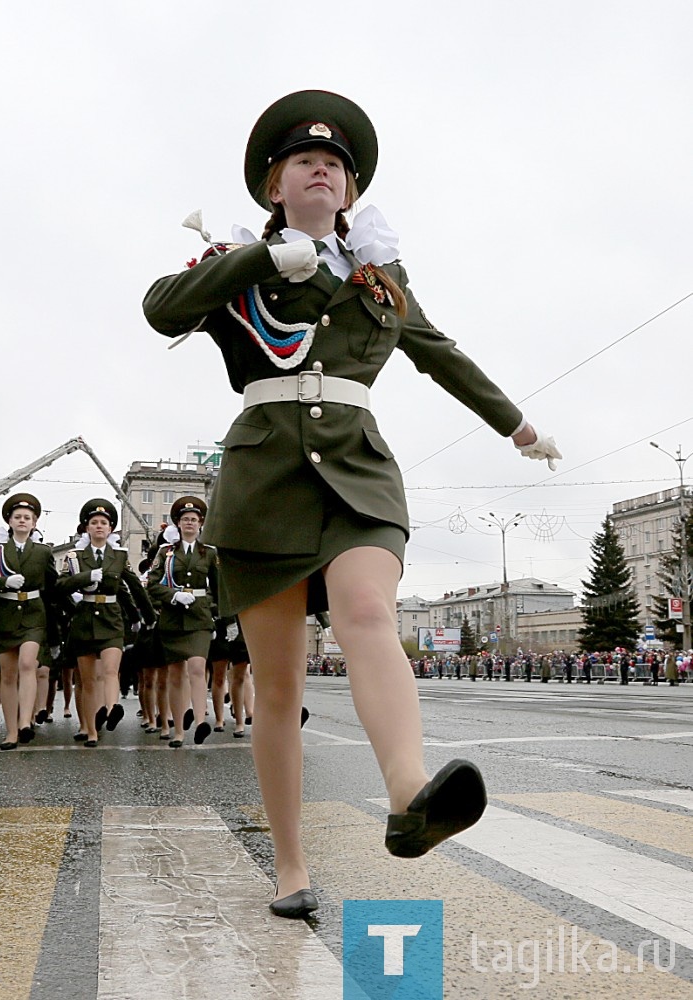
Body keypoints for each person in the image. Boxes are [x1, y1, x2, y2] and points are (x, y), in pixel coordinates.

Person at [143, 89, 561, 918]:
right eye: (304, 160)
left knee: (367, 608)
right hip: (264, 475)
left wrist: (518, 426)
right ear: (274, 186)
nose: (322, 169)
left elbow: (438, 353)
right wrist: (265, 261)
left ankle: (410, 795)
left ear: (350, 192)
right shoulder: (235, 264)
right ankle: (290, 866)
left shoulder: (381, 279)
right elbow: (160, 309)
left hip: (358, 468)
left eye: (335, 164)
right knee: (275, 687)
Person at [58, 499, 156, 747]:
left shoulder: (119, 556)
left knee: (112, 670)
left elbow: (133, 588)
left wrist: (148, 616)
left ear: (110, 529)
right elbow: (59, 587)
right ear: (86, 528)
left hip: (112, 620)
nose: (99, 527)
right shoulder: (75, 557)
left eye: (104, 523)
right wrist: (84, 577)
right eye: (94, 523)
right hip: (84, 620)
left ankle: (112, 708)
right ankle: (91, 730)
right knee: (88, 680)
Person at [0, 493, 58, 750]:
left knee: (27, 663)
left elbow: (52, 585)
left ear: (35, 523)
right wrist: (3, 582)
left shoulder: (43, 552)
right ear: (9, 522)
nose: (23, 521)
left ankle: (25, 721)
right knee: (8, 676)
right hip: (5, 614)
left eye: (28, 518)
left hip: (33, 613)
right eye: (18, 517)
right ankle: (11, 731)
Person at [147, 497, 220, 748]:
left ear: (200, 524)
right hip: (173, 619)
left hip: (199, 617)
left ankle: (200, 721)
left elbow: (220, 588)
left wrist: (222, 616)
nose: (190, 523)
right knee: (176, 676)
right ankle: (178, 730)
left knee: (198, 667)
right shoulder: (165, 553)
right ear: (178, 524)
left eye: (194, 520)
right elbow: (152, 585)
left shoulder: (209, 553)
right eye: (185, 519)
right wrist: (173, 595)